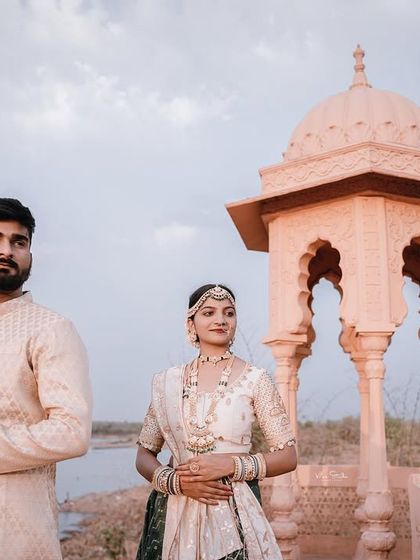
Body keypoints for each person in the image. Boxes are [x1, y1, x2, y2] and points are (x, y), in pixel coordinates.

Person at [135, 283, 297, 559]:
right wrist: (176, 482)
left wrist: (229, 465)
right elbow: (144, 454)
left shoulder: (255, 380)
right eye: (208, 312)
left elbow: (288, 456)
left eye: (229, 313)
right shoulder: (168, 382)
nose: (221, 320)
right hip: (173, 506)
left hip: (234, 506)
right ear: (191, 323)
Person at [0, 198, 92, 559]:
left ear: (30, 256)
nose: (6, 251)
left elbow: (71, 431)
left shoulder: (51, 329)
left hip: (18, 530)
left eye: (18, 242)